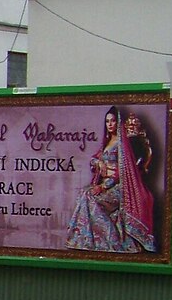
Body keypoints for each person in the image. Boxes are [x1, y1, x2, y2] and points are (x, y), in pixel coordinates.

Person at [66, 106, 156, 253]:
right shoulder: (107, 142)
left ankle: (112, 241)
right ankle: (83, 240)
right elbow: (94, 158)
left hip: (119, 187)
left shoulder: (121, 144)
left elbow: (121, 172)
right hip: (106, 184)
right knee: (84, 193)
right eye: (107, 121)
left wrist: (102, 187)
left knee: (90, 197)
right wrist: (99, 162)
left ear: (118, 123)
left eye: (113, 121)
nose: (109, 124)